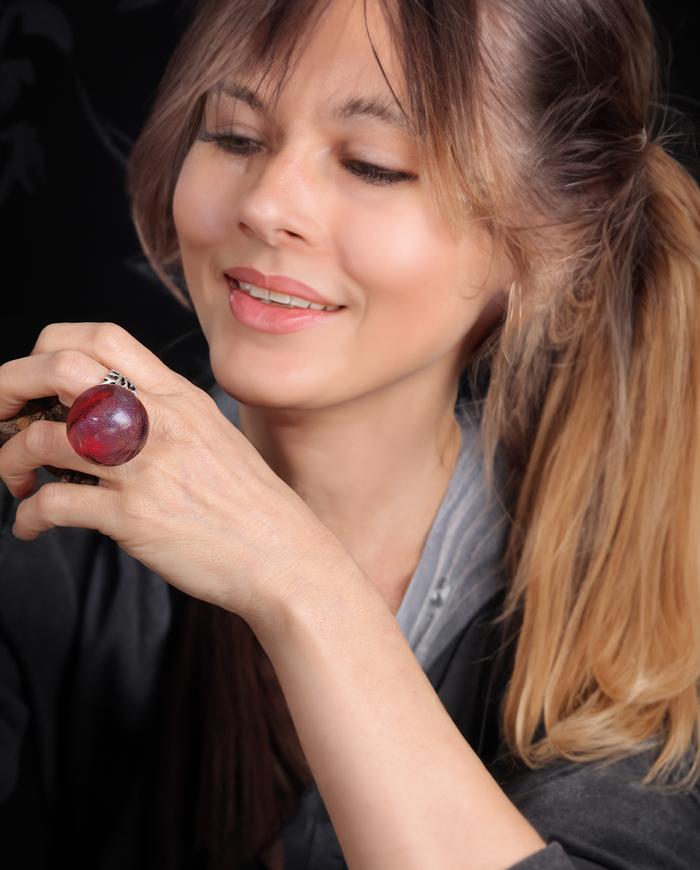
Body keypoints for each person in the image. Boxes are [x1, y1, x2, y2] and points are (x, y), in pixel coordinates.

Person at [0, 0, 699, 867]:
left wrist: (295, 576)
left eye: (373, 165)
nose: (266, 204)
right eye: (235, 136)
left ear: (549, 239)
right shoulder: (49, 526)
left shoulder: (644, 629)